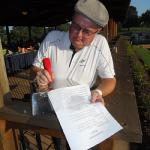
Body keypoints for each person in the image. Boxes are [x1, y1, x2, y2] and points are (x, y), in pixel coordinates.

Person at [32, 0, 116, 149]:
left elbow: (110, 79)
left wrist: (97, 91)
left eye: (87, 32)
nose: (78, 35)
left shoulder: (100, 44)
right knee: (56, 142)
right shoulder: (52, 38)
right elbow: (36, 67)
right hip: (52, 107)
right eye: (75, 26)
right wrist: (40, 75)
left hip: (80, 111)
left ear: (98, 31)